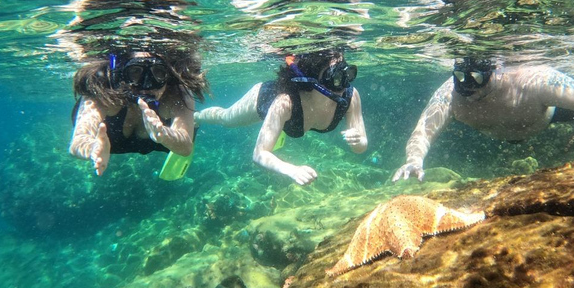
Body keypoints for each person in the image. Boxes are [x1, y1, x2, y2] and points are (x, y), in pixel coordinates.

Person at [393, 58, 574, 182]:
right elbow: (423, 130)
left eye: (477, 79)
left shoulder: (532, 80)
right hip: (504, 131)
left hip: (545, 117)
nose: (468, 89)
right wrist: (413, 160)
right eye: (459, 77)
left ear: (496, 70)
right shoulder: (450, 93)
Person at [195, 49, 368, 185]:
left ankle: (279, 129)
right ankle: (196, 117)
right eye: (336, 76)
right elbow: (259, 153)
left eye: (348, 74)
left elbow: (360, 148)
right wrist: (291, 170)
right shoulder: (284, 102)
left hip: (291, 118)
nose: (344, 83)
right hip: (265, 98)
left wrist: (359, 141)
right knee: (226, 119)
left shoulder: (350, 97)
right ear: (313, 80)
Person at [69, 49, 208, 176]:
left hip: (162, 139)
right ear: (121, 74)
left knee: (189, 122)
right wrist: (93, 147)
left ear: (168, 76)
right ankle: (193, 118)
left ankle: (195, 118)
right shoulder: (103, 92)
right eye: (136, 72)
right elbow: (78, 140)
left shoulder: (177, 94)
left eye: (158, 72)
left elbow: (185, 147)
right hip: (112, 142)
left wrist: (165, 135)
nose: (147, 84)